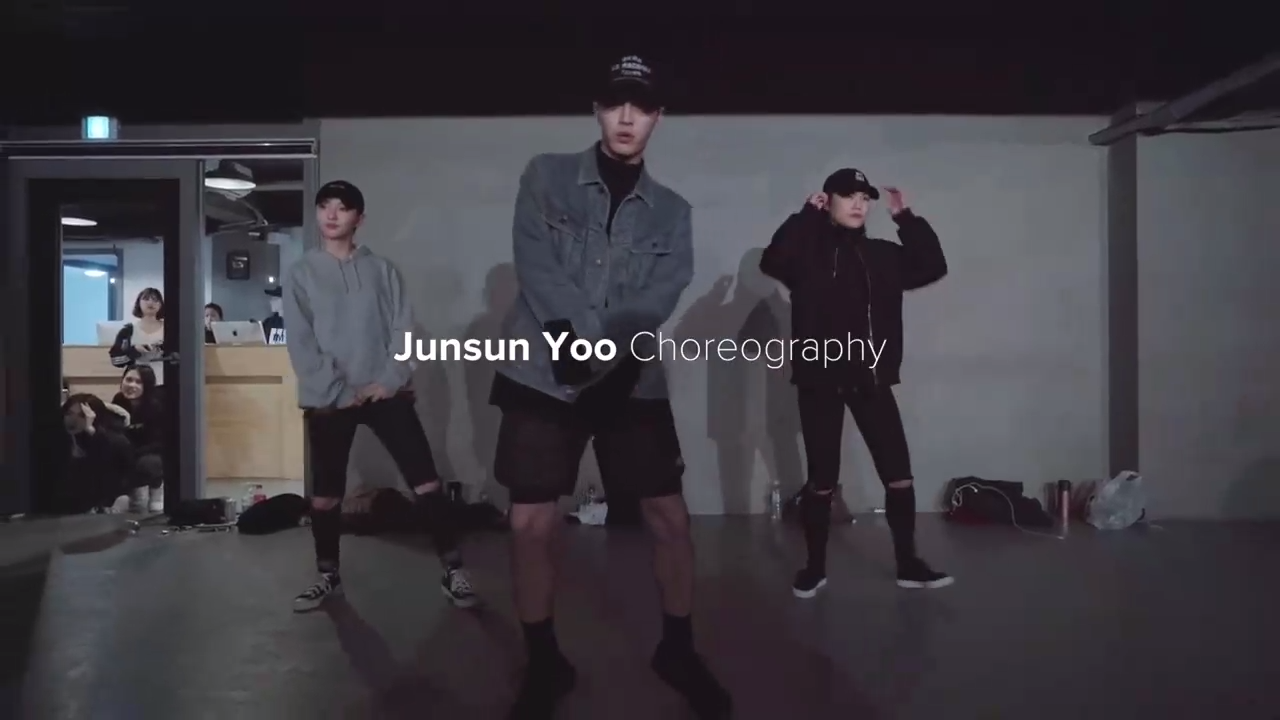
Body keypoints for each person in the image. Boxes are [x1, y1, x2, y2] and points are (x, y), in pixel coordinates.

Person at [491, 55, 731, 719]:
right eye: (615, 103)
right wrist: (572, 337)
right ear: (597, 109)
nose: (627, 117)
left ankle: (677, 649)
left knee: (670, 518)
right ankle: (544, 662)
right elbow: (535, 262)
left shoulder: (673, 211)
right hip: (542, 371)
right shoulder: (545, 175)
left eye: (642, 106)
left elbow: (662, 292)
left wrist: (604, 348)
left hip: (630, 376)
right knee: (530, 523)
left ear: (658, 117)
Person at [282, 179, 477, 613]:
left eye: (342, 207)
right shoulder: (300, 273)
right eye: (325, 206)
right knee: (326, 494)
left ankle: (453, 571)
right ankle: (328, 576)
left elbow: (403, 328)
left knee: (426, 481)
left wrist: (389, 380)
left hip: (384, 389)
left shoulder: (382, 270)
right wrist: (338, 390)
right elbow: (301, 340)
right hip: (330, 396)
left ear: (360, 218)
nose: (332, 214)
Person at [759, 168, 953, 599]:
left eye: (865, 198)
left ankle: (908, 564)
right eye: (848, 196)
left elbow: (933, 265)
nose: (859, 204)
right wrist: (805, 217)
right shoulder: (806, 255)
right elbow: (772, 260)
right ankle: (814, 568)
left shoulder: (882, 255)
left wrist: (906, 218)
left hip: (870, 380)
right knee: (822, 481)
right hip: (820, 383)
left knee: (899, 475)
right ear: (828, 201)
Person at [58, 393, 134, 514]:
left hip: (103, 503)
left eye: (82, 415)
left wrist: (91, 430)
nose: (73, 420)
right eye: (69, 413)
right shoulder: (59, 438)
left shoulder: (115, 441)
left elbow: (115, 472)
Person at [112, 365, 165, 513]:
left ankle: (156, 489)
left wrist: (132, 453)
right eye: (128, 380)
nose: (131, 385)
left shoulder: (155, 406)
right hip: (128, 451)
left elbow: (159, 442)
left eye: (138, 382)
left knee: (148, 463)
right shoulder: (118, 400)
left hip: (150, 453)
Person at [110, 288, 167, 390]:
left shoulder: (170, 329)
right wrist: (135, 351)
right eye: (146, 299)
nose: (150, 302)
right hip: (136, 383)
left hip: (164, 381)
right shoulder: (128, 330)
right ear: (139, 303)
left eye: (155, 300)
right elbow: (116, 360)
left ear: (161, 304)